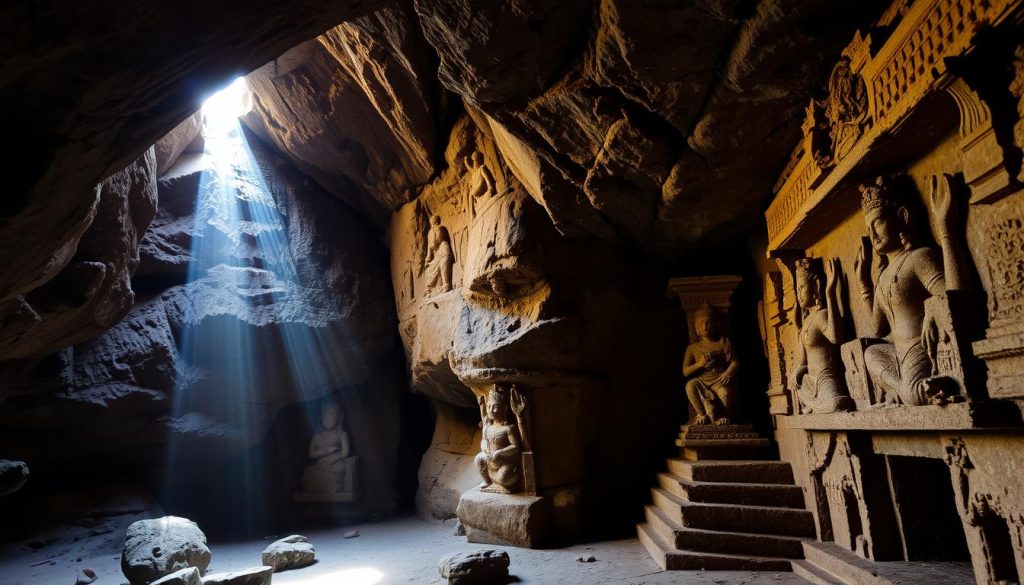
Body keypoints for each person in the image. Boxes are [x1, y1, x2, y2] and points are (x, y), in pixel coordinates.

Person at [853, 174, 965, 406]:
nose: (873, 234)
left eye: (878, 223)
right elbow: (877, 328)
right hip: (898, 354)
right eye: (868, 228)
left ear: (901, 217)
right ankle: (907, 388)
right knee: (871, 354)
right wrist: (864, 285)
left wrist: (945, 229)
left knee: (913, 395)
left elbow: (950, 295)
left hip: (921, 346)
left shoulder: (919, 258)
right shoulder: (883, 276)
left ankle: (915, 390)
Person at [792, 257, 854, 413]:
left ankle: (817, 405)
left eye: (802, 287)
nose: (799, 294)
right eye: (797, 289)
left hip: (825, 377)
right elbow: (803, 362)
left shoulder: (822, 315)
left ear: (815, 286)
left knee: (835, 404)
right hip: (810, 380)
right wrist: (798, 372)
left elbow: (836, 338)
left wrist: (830, 294)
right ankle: (815, 405)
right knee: (798, 387)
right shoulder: (806, 321)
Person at [682, 303, 739, 425]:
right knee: (690, 385)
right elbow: (686, 371)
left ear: (716, 324)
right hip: (702, 381)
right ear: (696, 328)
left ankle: (722, 416)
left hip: (720, 379)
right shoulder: (692, 348)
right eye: (701, 324)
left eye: (708, 323)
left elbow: (735, 361)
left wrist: (728, 373)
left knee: (726, 393)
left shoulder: (723, 342)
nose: (705, 327)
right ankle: (701, 414)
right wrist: (700, 364)